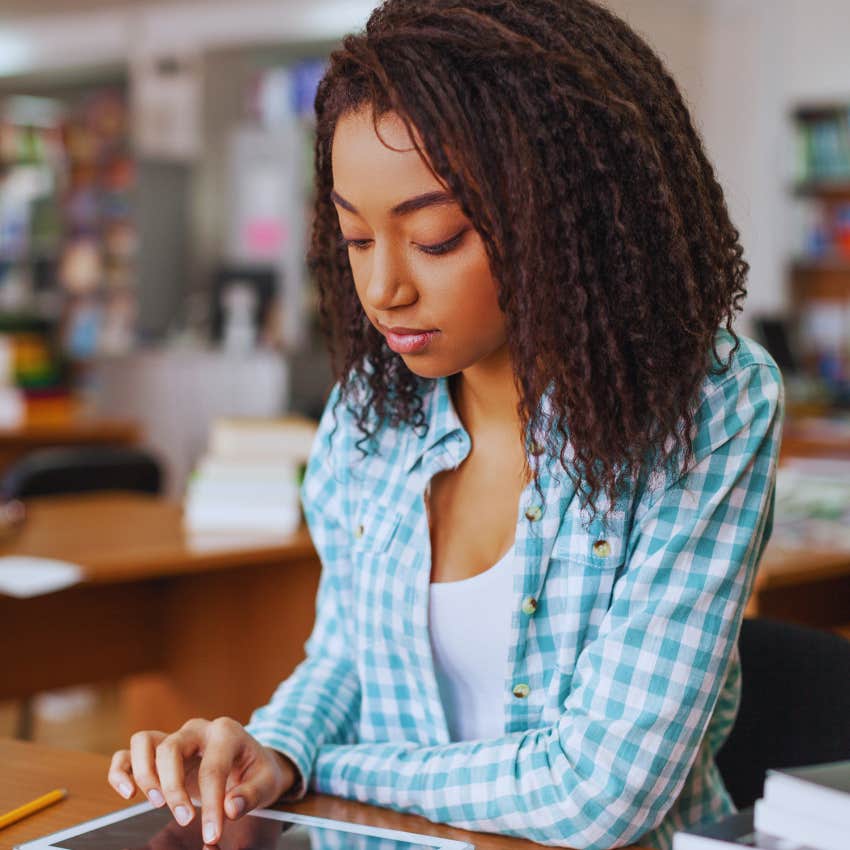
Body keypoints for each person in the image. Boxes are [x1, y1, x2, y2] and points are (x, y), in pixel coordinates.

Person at [107, 1, 784, 848]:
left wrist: (331, 765)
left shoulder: (708, 405)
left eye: (435, 238)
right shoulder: (371, 410)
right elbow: (348, 657)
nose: (385, 288)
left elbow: (600, 796)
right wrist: (273, 746)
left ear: (563, 215)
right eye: (355, 239)